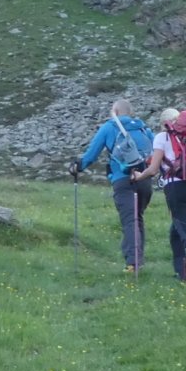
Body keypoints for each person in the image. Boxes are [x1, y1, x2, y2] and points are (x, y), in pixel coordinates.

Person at [132, 108, 186, 290]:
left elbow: (153, 169)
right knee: (176, 232)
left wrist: (138, 177)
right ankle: (180, 276)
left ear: (164, 123)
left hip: (176, 188)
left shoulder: (162, 137)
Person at [71, 99, 153, 274]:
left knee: (130, 220)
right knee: (137, 218)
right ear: (130, 112)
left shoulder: (109, 127)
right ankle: (138, 260)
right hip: (145, 179)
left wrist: (78, 167)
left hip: (123, 179)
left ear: (115, 111)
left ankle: (133, 264)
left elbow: (92, 153)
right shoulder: (144, 129)